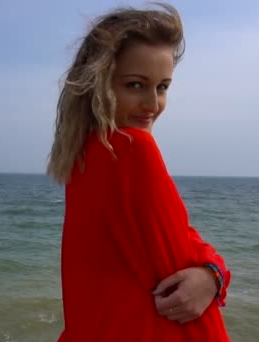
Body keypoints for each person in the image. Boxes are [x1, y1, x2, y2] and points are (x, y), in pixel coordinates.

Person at [47, 3, 231, 341]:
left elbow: (182, 239)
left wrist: (211, 271)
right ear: (97, 85)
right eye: (135, 85)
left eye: (162, 87)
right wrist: (215, 275)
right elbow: (180, 272)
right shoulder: (133, 150)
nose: (152, 104)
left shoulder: (81, 157)